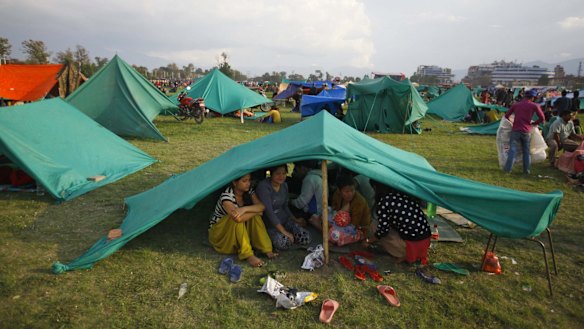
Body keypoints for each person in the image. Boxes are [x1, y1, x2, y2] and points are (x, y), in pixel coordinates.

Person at [208, 174, 277, 267]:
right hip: (220, 235)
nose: (248, 183)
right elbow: (238, 218)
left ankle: (266, 249)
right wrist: (255, 211)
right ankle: (248, 255)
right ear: (235, 183)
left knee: (254, 217)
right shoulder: (226, 196)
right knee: (236, 218)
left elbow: (262, 206)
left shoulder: (249, 191)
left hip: (238, 232)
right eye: (244, 181)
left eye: (249, 180)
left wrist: (244, 209)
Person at [364, 181, 431, 265]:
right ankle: (413, 252)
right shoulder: (402, 195)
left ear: (375, 188)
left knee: (374, 225)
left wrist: (369, 240)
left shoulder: (385, 201)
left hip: (412, 245)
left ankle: (404, 253)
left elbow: (383, 231)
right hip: (425, 242)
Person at [256, 164, 311, 250]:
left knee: (305, 237)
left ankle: (290, 235)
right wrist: (284, 232)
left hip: (284, 220)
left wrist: (295, 220)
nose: (281, 176)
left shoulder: (284, 186)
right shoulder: (264, 187)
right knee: (284, 242)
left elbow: (285, 206)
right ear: (271, 174)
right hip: (270, 225)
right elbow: (269, 212)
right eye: (278, 174)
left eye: (284, 173)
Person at [503, 90, 545, 174]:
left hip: (515, 130)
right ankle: (526, 170)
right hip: (526, 131)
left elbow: (507, 116)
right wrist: (534, 123)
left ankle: (508, 170)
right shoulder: (534, 105)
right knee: (526, 152)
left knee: (512, 150)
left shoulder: (516, 105)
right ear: (533, 97)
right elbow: (542, 118)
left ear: (524, 96)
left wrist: (512, 122)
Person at [330, 175, 371, 240]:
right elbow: (334, 208)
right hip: (340, 220)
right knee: (322, 218)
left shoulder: (359, 202)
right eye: (346, 191)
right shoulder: (337, 194)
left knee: (336, 236)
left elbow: (354, 225)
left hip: (358, 228)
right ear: (340, 190)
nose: (350, 194)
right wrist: (339, 213)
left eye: (352, 190)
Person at [289, 160, 323, 228]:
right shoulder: (318, 176)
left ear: (302, 168)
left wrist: (289, 201)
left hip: (313, 213)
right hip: (320, 210)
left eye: (296, 169)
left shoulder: (310, 179)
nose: (293, 172)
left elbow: (301, 203)